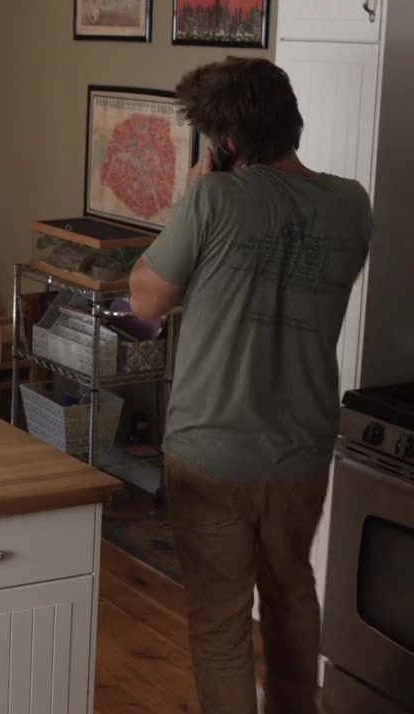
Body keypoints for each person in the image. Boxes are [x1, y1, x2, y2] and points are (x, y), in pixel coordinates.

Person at [129, 57, 372, 714]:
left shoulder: (212, 200)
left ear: (226, 142)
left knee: (221, 620)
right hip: (301, 449)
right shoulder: (352, 204)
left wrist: (191, 196)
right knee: (292, 595)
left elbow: (146, 300)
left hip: (211, 450)